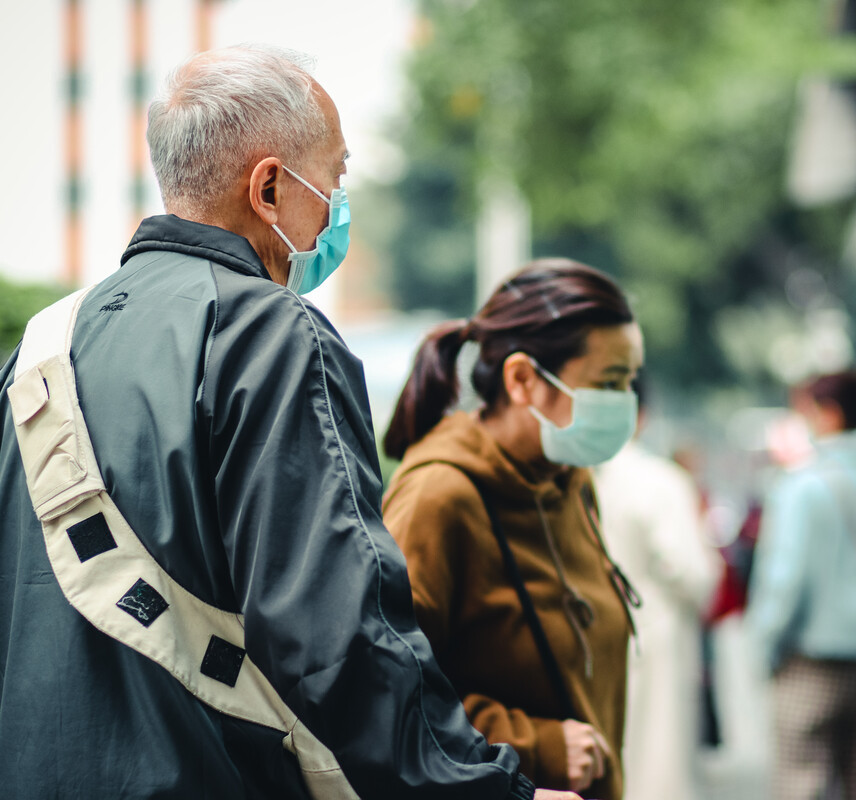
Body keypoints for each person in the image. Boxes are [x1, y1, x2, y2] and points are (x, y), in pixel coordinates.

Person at [0, 45, 579, 800]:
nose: (338, 205)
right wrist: (482, 789)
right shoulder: (269, 335)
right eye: (336, 176)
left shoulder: (39, 350)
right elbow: (336, 636)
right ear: (269, 187)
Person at [380, 259, 644, 800]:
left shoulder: (569, 478)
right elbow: (387, 694)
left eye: (629, 382)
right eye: (608, 382)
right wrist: (535, 746)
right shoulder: (438, 496)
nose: (626, 403)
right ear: (523, 379)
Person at [745, 370, 856, 800]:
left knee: (801, 787)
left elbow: (785, 584)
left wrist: (764, 648)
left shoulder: (801, 488)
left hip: (809, 669)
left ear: (829, 415)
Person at [592, 378, 720, 800]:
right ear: (641, 414)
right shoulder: (661, 481)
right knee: (660, 765)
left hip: (591, 642)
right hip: (658, 638)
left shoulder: (569, 477)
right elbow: (692, 573)